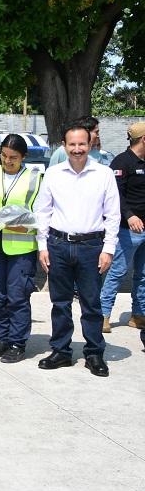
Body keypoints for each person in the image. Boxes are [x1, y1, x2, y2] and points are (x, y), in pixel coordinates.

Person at [36, 121, 119, 377]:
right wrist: (43, 245)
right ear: (64, 145)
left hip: (91, 246)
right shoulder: (53, 173)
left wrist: (108, 249)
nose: (77, 149)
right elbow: (43, 210)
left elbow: (112, 215)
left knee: (91, 303)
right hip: (58, 245)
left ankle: (94, 353)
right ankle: (61, 351)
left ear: (90, 144)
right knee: (59, 302)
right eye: (72, 144)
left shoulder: (104, 174)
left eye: (82, 143)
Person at [0, 134, 41, 364]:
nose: (8, 161)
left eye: (13, 157)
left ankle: (17, 343)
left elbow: (42, 215)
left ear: (24, 157)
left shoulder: (35, 178)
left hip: (21, 247)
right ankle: (1, 339)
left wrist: (29, 228)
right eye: (4, 155)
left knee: (18, 297)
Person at [101, 122, 145, 333]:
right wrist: (129, 216)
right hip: (128, 230)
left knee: (143, 275)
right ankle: (103, 314)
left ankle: (138, 314)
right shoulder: (122, 162)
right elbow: (115, 195)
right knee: (117, 272)